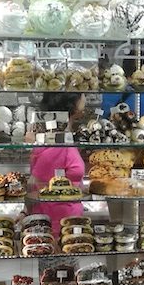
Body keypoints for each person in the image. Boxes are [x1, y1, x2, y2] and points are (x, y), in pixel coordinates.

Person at [29, 91, 87, 235]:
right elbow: (37, 184)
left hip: (66, 222)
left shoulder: (57, 138)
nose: (85, 97)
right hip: (56, 226)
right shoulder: (57, 143)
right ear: (73, 104)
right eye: (82, 93)